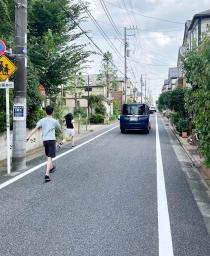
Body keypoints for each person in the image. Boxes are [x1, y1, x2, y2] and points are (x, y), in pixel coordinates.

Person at [26, 106, 62, 183]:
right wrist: (63, 131)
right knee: (49, 157)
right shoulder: (55, 121)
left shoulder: (42, 120)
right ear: (52, 112)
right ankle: (47, 175)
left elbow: (35, 128)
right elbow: (60, 129)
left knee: (49, 155)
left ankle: (51, 167)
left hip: (45, 141)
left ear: (46, 112)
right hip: (52, 140)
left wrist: (28, 137)